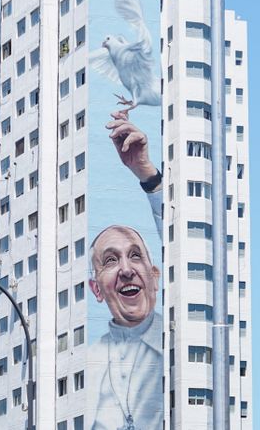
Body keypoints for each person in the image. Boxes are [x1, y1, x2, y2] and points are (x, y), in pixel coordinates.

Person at [85, 117, 165, 430]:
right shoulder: (87, 361)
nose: (127, 270)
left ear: (155, 275)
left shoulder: (181, 344)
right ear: (97, 289)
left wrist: (146, 172)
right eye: (111, 261)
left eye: (135, 256)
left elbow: (183, 240)